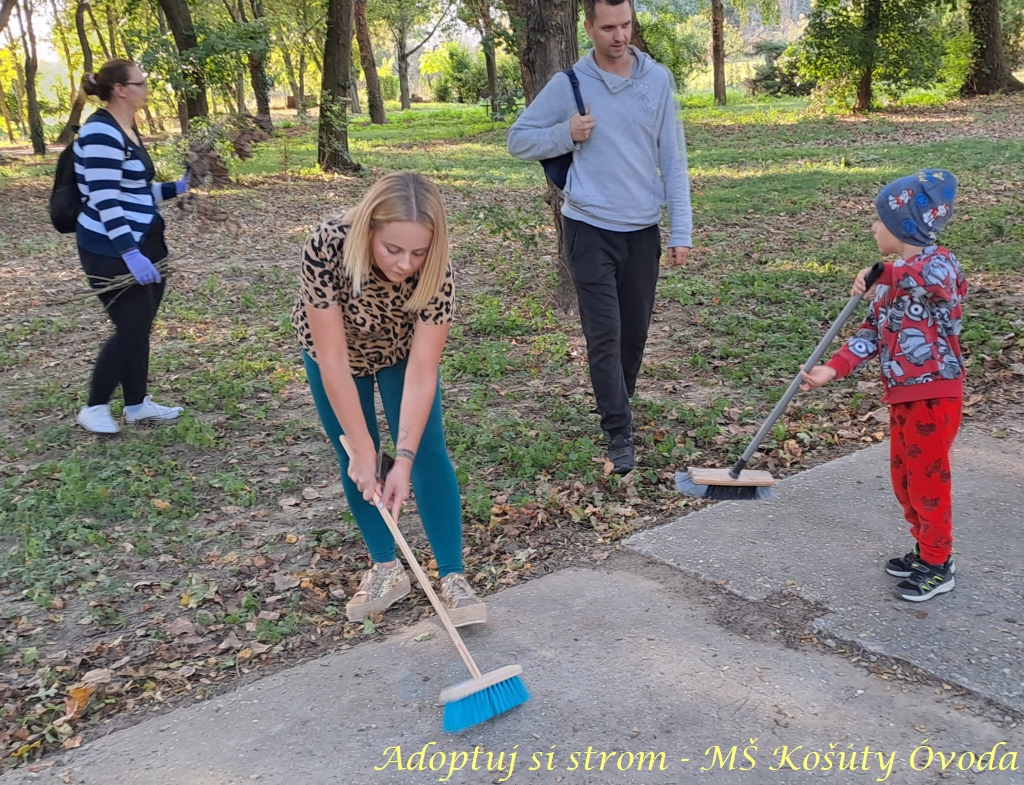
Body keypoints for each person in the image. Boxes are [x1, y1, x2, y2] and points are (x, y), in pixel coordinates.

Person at [506, 0, 693, 474]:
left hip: (642, 229)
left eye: (626, 25)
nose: (619, 36)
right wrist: (566, 133)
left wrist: (682, 229)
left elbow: (673, 159)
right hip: (588, 227)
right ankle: (618, 434)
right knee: (604, 335)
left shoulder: (657, 80)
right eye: (608, 27)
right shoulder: (569, 84)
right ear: (588, 28)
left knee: (634, 336)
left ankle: (618, 402)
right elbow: (518, 140)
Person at [291, 171, 486, 627]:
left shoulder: (437, 269)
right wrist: (364, 449)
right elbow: (333, 359)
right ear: (369, 232)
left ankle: (453, 577)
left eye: (418, 252)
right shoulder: (327, 245)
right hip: (336, 354)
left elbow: (423, 371)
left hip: (401, 352)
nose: (405, 264)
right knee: (358, 461)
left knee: (427, 454)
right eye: (393, 249)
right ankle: (386, 568)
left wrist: (403, 457)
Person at [800, 169, 966, 603]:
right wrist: (831, 370)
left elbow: (936, 283)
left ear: (903, 225)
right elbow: (870, 335)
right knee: (905, 480)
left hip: (935, 394)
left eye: (879, 221)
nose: (873, 228)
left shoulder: (939, 262)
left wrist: (887, 274)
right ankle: (924, 549)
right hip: (902, 397)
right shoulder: (887, 284)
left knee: (929, 480)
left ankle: (939, 563)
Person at [74, 59, 189, 434]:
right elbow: (105, 199)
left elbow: (135, 192)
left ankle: (137, 405)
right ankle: (94, 407)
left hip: (147, 241)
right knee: (131, 327)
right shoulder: (100, 132)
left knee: (141, 326)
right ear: (121, 89)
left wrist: (178, 187)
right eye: (141, 82)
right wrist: (129, 253)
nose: (146, 88)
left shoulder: (128, 128)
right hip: (110, 250)